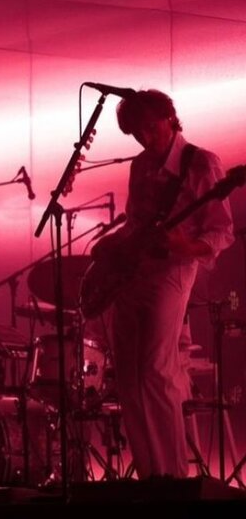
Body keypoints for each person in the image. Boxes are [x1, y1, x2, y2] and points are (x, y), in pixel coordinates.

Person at [90, 89, 234, 479]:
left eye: (150, 128)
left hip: (174, 269)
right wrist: (114, 243)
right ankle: (151, 476)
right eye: (137, 132)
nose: (144, 138)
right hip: (134, 274)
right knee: (127, 374)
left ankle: (173, 475)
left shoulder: (201, 162)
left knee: (156, 369)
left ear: (170, 117)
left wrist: (183, 244)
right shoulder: (139, 167)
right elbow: (136, 222)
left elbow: (222, 231)